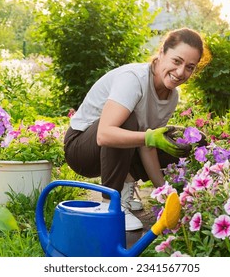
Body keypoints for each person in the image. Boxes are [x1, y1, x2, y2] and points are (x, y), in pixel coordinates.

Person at [64, 27, 209, 231]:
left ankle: (126, 185)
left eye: (190, 67)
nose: (181, 72)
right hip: (81, 148)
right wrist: (149, 137)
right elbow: (105, 134)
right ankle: (111, 205)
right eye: (177, 61)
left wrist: (164, 193)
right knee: (128, 120)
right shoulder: (134, 78)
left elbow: (147, 143)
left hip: (112, 151)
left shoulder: (171, 95)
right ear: (161, 53)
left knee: (187, 140)